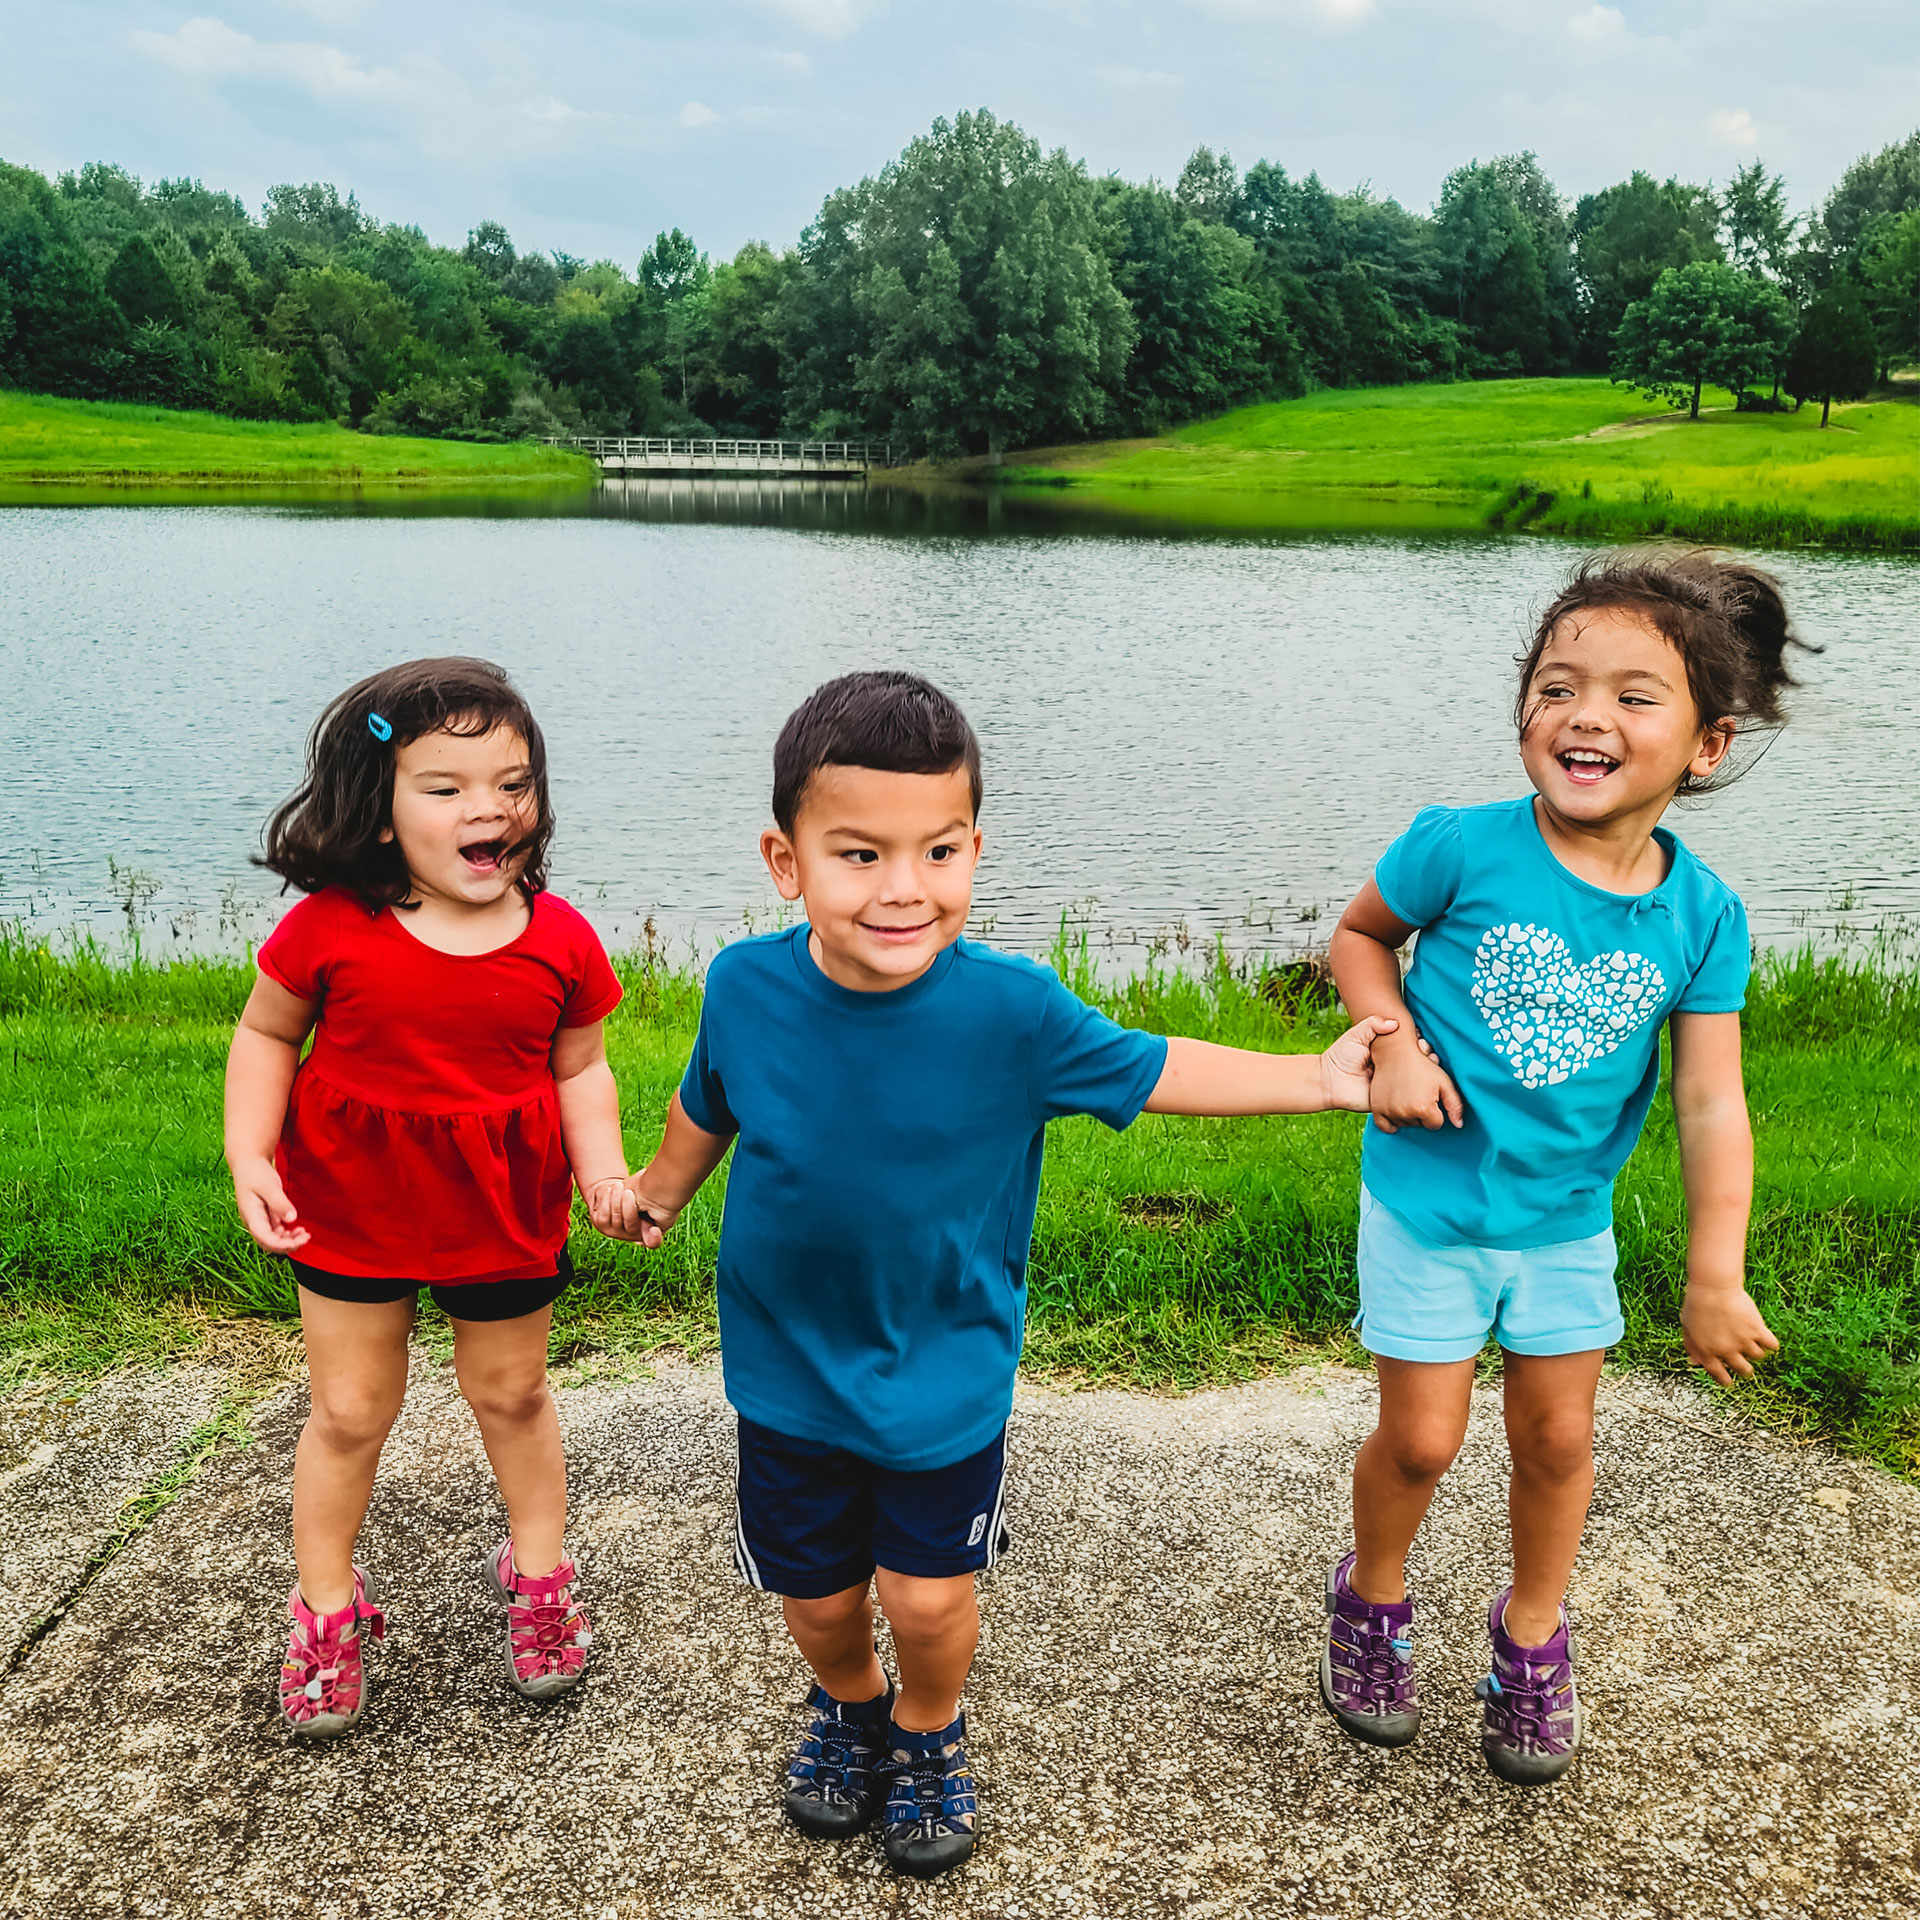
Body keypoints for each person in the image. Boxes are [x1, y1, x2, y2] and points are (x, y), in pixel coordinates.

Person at [591, 671, 1395, 1879]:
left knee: (926, 1600)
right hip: (785, 1367)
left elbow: (1157, 1063)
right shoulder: (745, 989)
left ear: (976, 847)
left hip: (945, 1370)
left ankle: (926, 1726)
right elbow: (706, 1105)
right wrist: (657, 1191)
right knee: (815, 1599)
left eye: (939, 850)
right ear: (785, 859)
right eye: (859, 853)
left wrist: (1316, 1078)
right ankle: (853, 1708)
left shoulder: (1013, 1013)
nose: (904, 888)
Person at [1323, 551, 1802, 1784]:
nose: (1586, 715)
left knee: (1558, 1441)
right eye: (1557, 686)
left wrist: (1716, 1271)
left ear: (1707, 745)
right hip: (1427, 1201)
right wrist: (1394, 1044)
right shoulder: (1462, 848)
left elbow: (1710, 1100)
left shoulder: (1705, 918)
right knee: (1421, 1441)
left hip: (1565, 1221)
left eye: (1635, 697)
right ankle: (1372, 1599)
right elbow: (1363, 937)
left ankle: (1531, 1633)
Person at [224, 658, 627, 1737]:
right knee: (351, 1410)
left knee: (512, 1396)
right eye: (445, 787)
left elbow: (579, 1068)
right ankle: (326, 1608)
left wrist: (602, 1171)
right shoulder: (329, 926)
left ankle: (538, 1576)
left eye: (512, 782)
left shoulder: (563, 940)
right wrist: (249, 1153)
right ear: (380, 807)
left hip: (502, 1209)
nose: (487, 808)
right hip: (350, 1202)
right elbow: (268, 1034)